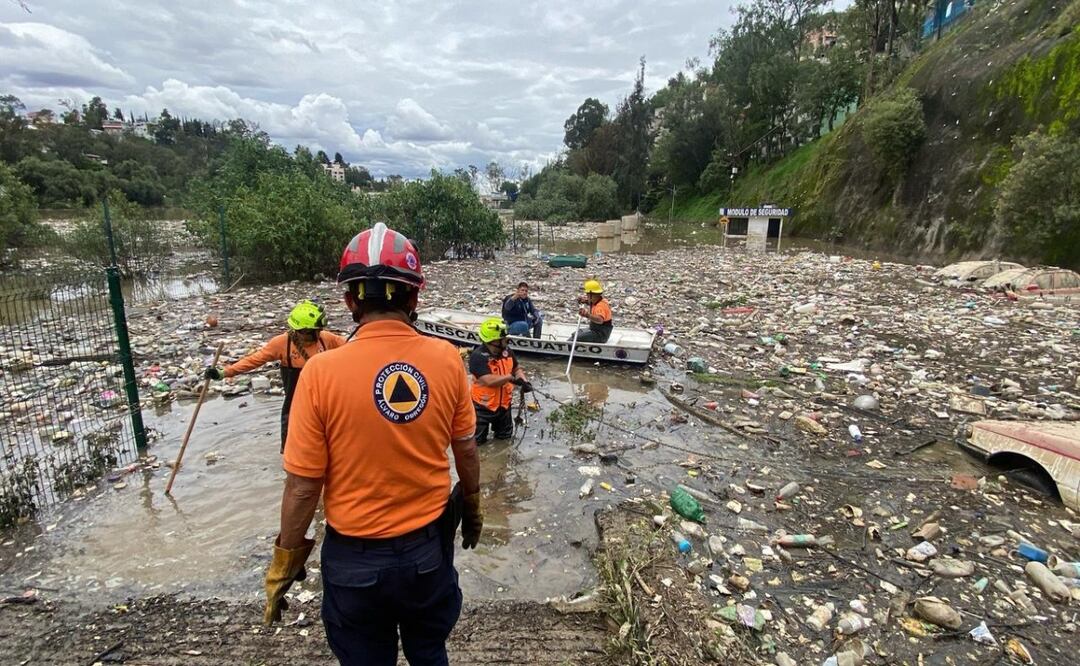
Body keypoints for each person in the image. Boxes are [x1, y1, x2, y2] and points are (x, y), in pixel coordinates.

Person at [263, 222, 483, 666]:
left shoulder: (320, 374)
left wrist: (285, 563)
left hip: (354, 562)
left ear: (349, 301)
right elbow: (467, 450)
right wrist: (474, 506)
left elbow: (304, 487)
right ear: (414, 298)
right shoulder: (446, 360)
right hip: (427, 554)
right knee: (428, 650)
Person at [205, 300, 346, 451]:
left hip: (324, 398)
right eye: (315, 331)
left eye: (319, 330)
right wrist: (224, 373)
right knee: (291, 431)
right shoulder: (281, 344)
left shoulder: (326, 339)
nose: (319, 333)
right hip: (295, 401)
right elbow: (255, 359)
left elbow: (353, 347)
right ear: (302, 331)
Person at [469, 318, 531, 444]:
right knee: (477, 444)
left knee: (504, 441)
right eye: (503, 340)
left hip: (504, 406)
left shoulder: (507, 352)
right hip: (482, 408)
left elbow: (516, 368)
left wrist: (523, 380)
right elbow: (488, 380)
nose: (505, 342)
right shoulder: (478, 356)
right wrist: (510, 378)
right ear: (493, 341)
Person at [570, 279, 613, 343]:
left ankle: (569, 347)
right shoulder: (599, 300)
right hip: (595, 329)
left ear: (591, 295)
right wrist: (586, 301)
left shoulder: (600, 306)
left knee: (576, 337)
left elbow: (600, 320)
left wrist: (587, 315)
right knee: (575, 333)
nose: (587, 296)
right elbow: (592, 302)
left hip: (600, 334)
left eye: (587, 295)